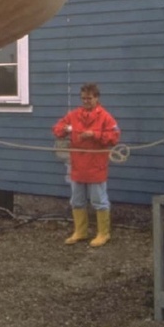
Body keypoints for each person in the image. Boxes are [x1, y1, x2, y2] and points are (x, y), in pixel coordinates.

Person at [52, 82, 120, 247]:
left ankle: (103, 233)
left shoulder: (105, 117)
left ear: (96, 98)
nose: (86, 101)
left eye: (89, 98)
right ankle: (80, 232)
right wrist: (66, 129)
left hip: (96, 165)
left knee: (99, 200)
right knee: (77, 200)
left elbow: (114, 136)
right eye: (83, 98)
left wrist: (94, 135)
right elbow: (57, 129)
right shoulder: (74, 115)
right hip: (77, 165)